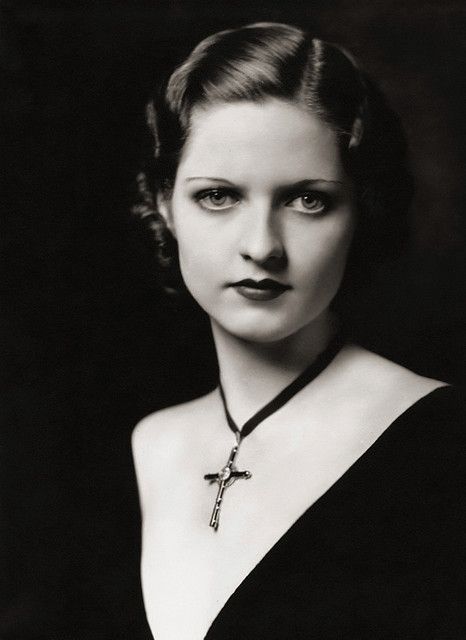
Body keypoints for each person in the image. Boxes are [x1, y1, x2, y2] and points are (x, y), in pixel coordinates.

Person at [131, 22, 465, 640]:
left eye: (308, 201)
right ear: (163, 204)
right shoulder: (136, 447)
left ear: (360, 211)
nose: (262, 247)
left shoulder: (444, 446)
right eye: (219, 197)